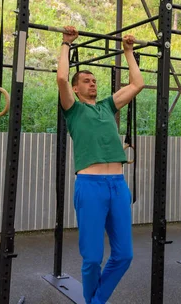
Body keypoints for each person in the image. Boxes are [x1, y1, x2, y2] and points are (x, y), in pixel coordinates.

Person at [56, 25, 144, 304]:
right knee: (93, 258)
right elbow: (60, 78)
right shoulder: (73, 109)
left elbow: (137, 84)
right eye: (86, 80)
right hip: (90, 187)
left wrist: (128, 52)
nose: (92, 83)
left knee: (124, 255)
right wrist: (66, 43)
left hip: (118, 186)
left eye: (94, 80)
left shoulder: (107, 106)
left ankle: (95, 302)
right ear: (76, 88)